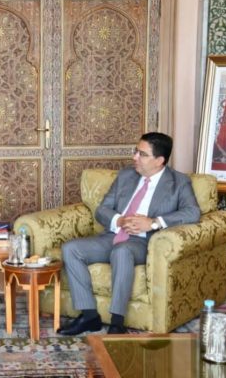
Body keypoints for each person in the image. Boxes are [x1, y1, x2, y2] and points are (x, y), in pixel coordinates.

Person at [57, 132, 201, 335]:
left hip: (143, 242)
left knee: (122, 251)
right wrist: (119, 220)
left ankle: (117, 322)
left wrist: (153, 223)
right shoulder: (126, 175)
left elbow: (192, 212)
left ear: (159, 160)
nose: (135, 157)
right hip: (113, 235)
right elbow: (102, 209)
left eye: (142, 154)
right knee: (70, 249)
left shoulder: (179, 182)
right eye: (136, 151)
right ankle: (89, 316)